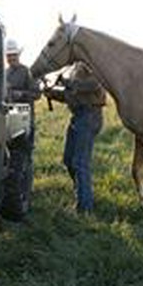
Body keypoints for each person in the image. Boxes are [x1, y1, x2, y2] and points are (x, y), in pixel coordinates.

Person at [45, 62, 106, 214]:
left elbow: (94, 85)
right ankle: (83, 193)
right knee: (69, 159)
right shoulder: (71, 69)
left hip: (89, 115)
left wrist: (64, 81)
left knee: (80, 162)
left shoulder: (91, 65)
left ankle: (84, 208)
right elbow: (70, 95)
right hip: (78, 115)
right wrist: (51, 91)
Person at [4, 38, 41, 145]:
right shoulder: (5, 73)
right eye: (9, 55)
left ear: (18, 55)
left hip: (24, 118)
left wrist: (22, 94)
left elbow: (37, 94)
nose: (11, 58)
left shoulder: (27, 72)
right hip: (10, 119)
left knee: (24, 150)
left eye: (13, 55)